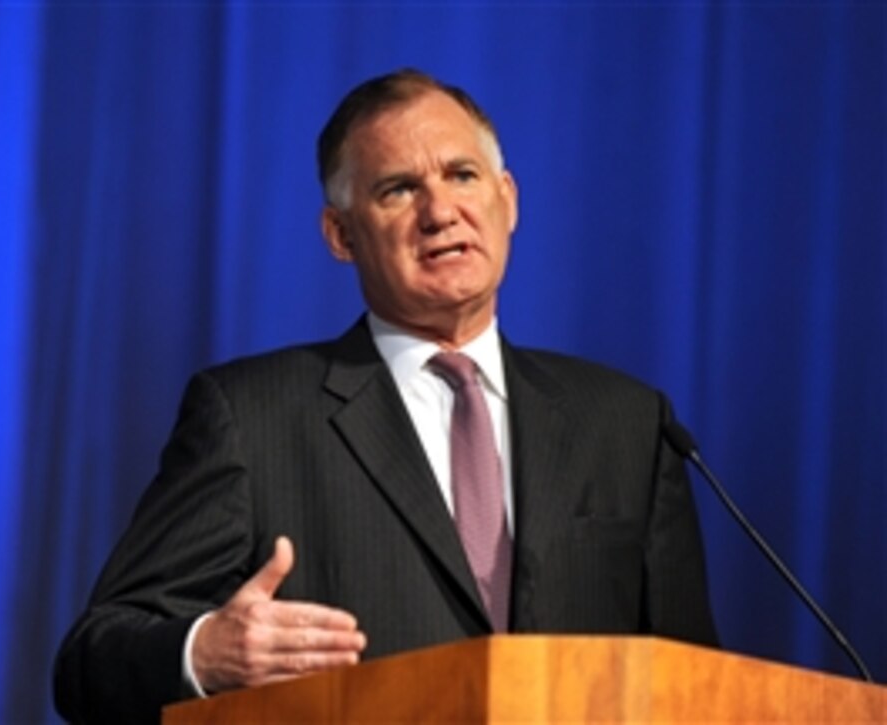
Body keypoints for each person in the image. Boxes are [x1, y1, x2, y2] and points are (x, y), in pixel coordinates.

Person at [53, 68, 718, 724]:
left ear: (507, 199)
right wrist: (206, 653)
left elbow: (697, 683)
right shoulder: (250, 418)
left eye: (462, 175)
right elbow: (89, 662)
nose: (440, 212)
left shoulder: (626, 422)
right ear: (341, 235)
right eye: (399, 190)